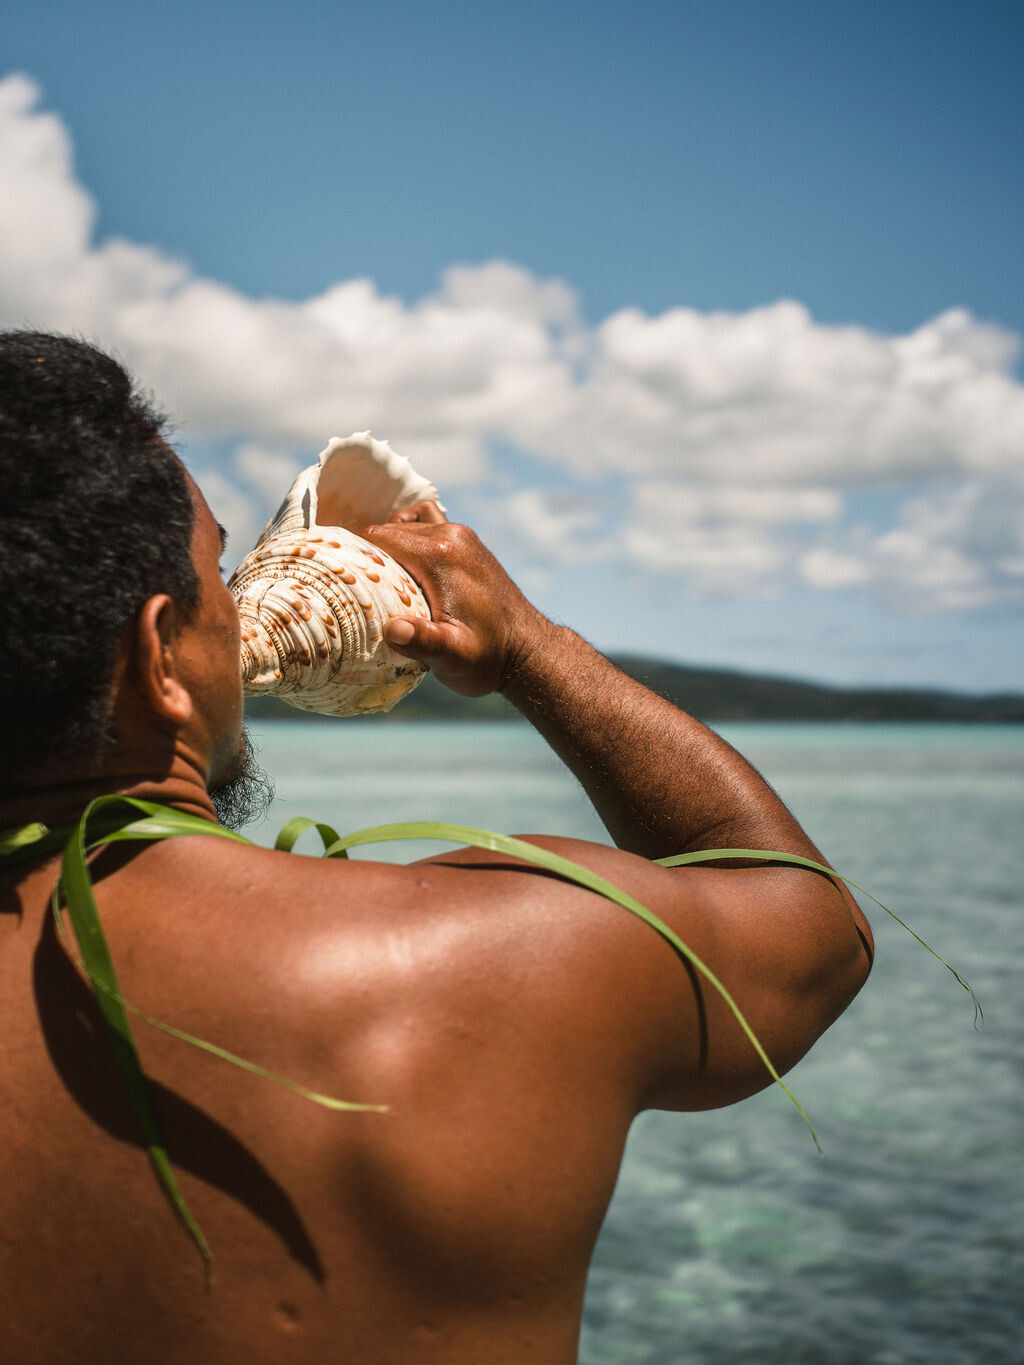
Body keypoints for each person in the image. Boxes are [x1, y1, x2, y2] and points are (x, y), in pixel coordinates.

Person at [0, 332, 872, 1365]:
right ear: (160, 657)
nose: (238, 607)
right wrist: (531, 649)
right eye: (217, 578)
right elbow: (810, 934)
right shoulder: (497, 959)